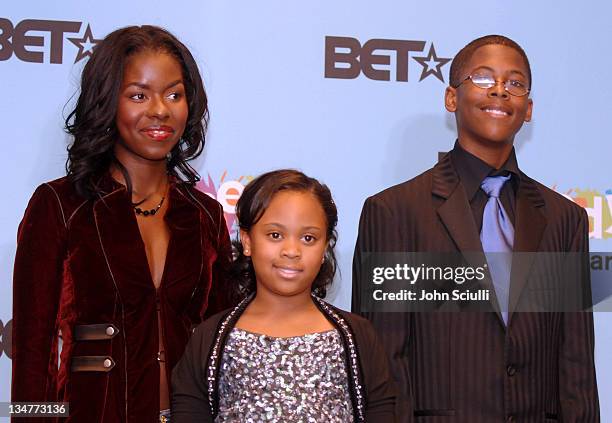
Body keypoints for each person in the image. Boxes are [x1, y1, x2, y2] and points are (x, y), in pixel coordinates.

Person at [352, 35, 599, 422]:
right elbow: (384, 363)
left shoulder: (564, 220)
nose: (500, 90)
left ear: (528, 108)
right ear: (452, 98)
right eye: (483, 78)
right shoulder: (395, 212)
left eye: (515, 83)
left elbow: (576, 363)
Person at [11, 26, 232, 422]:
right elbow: (32, 355)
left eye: (174, 94)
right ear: (106, 101)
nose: (160, 110)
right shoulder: (60, 206)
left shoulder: (205, 215)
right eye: (138, 95)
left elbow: (222, 346)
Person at [172, 169, 397, 422]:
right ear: (247, 240)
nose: (292, 250)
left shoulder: (358, 337)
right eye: (275, 235)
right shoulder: (210, 340)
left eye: (308, 238)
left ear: (325, 248)